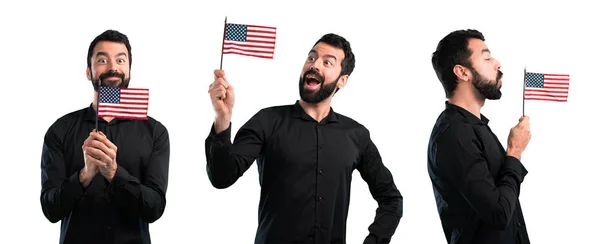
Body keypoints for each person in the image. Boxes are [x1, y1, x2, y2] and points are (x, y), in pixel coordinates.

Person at [205, 33, 403, 244]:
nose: (315, 65)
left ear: (342, 80)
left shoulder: (356, 135)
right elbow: (221, 177)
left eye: (327, 62)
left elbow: (391, 199)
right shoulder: (268, 121)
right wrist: (223, 118)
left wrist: (374, 240)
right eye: (311, 58)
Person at [40, 29, 170, 244]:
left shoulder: (155, 132)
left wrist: (114, 173)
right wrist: (84, 176)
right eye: (102, 59)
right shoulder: (60, 131)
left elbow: (154, 208)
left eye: (121, 60)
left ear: (128, 70)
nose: (112, 67)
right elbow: (50, 209)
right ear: (88, 72)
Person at [427, 29, 532, 244]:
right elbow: (498, 214)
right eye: (486, 57)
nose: (497, 64)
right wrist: (514, 153)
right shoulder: (454, 134)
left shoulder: (477, 127)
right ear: (462, 72)